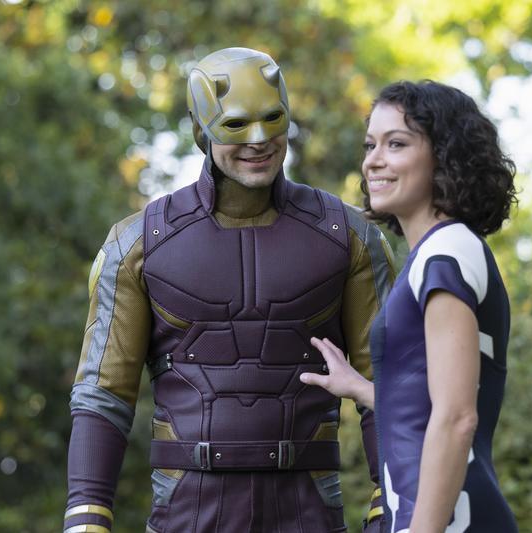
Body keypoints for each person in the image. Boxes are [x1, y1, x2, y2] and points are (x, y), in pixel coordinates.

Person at [63, 47, 395, 533]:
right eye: (235, 125)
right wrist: (87, 516)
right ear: (201, 128)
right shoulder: (136, 246)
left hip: (308, 514)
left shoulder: (350, 238)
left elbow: (385, 381)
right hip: (187, 514)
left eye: (272, 119)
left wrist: (392, 502)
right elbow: (103, 394)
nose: (258, 140)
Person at [300, 80, 519, 533]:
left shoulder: (445, 256)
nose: (373, 161)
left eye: (396, 143)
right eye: (370, 145)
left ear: (445, 156)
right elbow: (431, 403)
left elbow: (457, 417)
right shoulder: (442, 253)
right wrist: (361, 388)